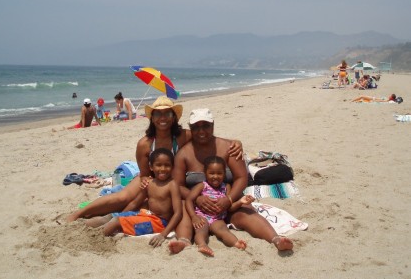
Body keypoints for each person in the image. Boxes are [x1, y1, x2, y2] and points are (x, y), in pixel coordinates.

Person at [66, 96, 242, 223]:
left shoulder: (182, 136)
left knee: (146, 203)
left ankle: (115, 218)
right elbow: (144, 173)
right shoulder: (145, 144)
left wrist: (236, 142)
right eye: (158, 114)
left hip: (172, 181)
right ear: (152, 118)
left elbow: (206, 136)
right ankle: (79, 213)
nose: (163, 118)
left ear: (174, 117)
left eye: (167, 114)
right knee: (123, 197)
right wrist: (146, 182)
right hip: (150, 177)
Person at [168, 108, 293, 254]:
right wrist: (198, 199)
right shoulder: (184, 154)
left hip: (227, 201)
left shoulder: (229, 148)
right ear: (190, 128)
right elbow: (178, 185)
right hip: (197, 208)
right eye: (196, 127)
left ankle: (276, 240)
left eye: (206, 126)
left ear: (213, 125)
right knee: (183, 205)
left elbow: (241, 177)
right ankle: (184, 240)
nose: (201, 131)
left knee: (245, 211)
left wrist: (229, 199)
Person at [100, 148, 182, 248]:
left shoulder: (172, 185)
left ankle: (97, 241)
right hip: (146, 214)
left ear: (173, 167)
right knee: (116, 218)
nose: (163, 168)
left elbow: (178, 213)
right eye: (159, 165)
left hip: (159, 222)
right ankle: (97, 234)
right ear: (151, 167)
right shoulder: (150, 183)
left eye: (167, 165)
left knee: (116, 223)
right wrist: (123, 214)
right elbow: (135, 203)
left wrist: (163, 234)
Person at [186, 155, 255, 256]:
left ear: (224, 174)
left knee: (223, 231)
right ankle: (202, 244)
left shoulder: (226, 187)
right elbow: (189, 200)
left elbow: (230, 207)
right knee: (201, 230)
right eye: (211, 173)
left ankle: (236, 243)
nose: (215, 176)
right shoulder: (202, 186)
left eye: (219, 173)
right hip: (202, 216)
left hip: (217, 219)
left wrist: (241, 202)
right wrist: (193, 217)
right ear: (205, 173)